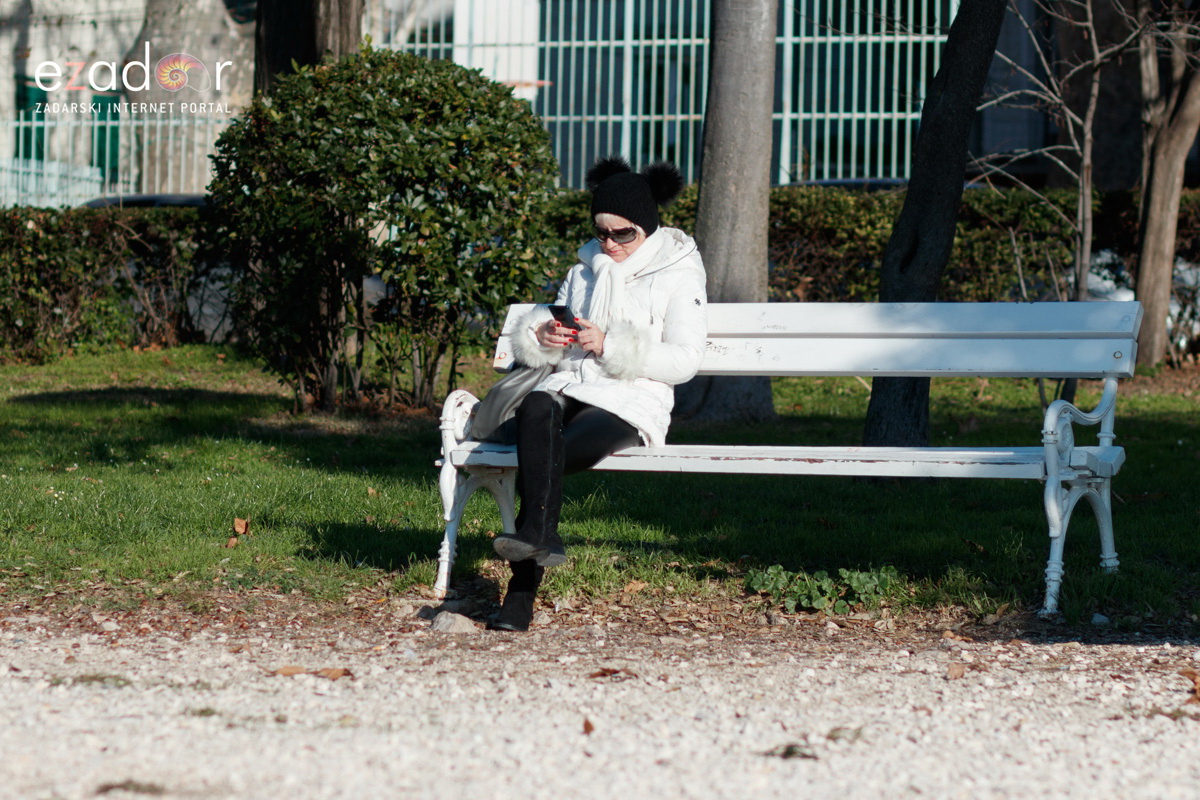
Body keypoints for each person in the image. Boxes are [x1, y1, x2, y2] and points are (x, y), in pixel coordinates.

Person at [488, 155, 708, 631]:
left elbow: (686, 361)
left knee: (542, 449)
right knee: (538, 406)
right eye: (602, 232)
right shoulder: (583, 270)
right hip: (570, 386)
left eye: (622, 234)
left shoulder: (678, 273)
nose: (609, 244)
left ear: (647, 227)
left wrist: (610, 346)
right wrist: (544, 336)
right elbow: (552, 341)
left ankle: (521, 586)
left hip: (632, 398)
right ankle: (539, 543)